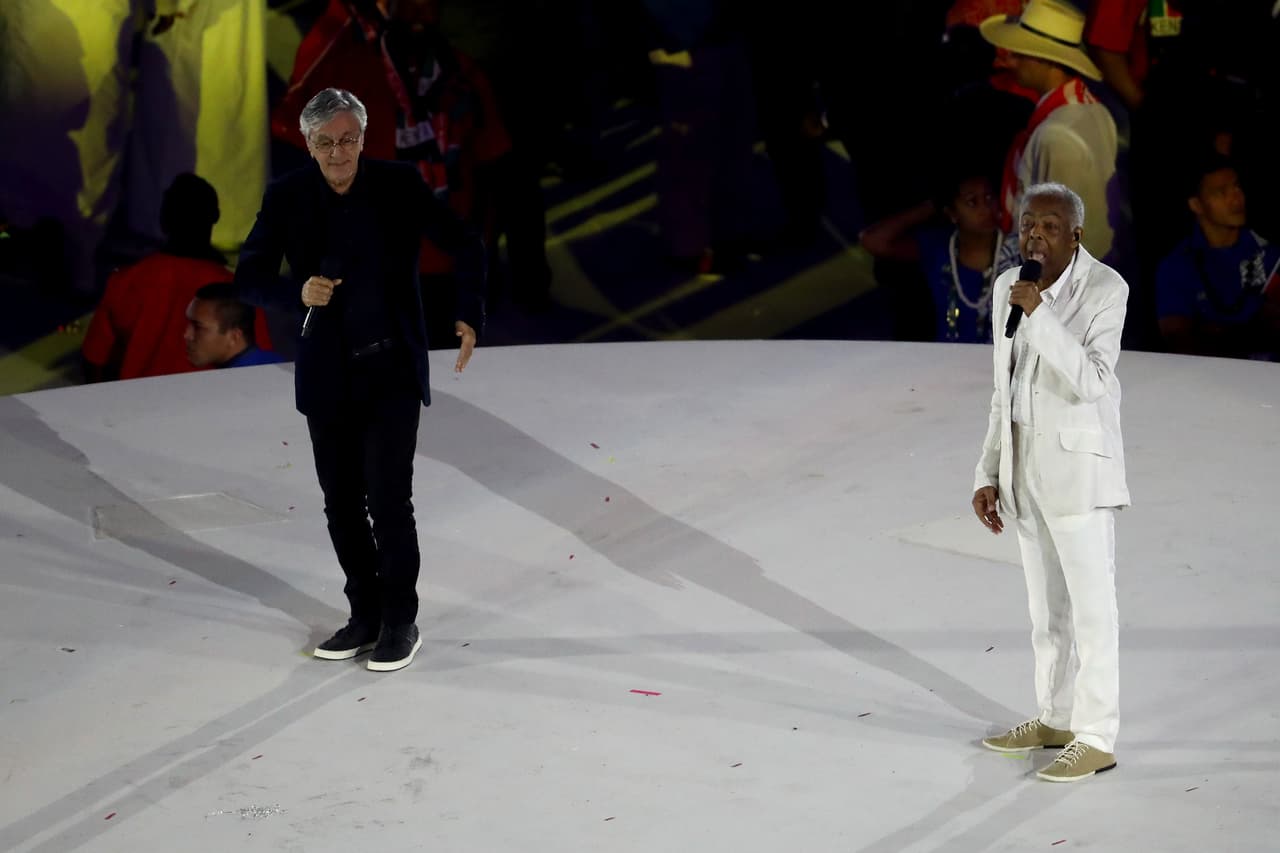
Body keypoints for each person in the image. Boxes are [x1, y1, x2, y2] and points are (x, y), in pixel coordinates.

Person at [234, 87, 486, 673]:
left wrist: (469, 312)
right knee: (341, 503)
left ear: (364, 139)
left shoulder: (399, 184)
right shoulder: (287, 195)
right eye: (326, 142)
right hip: (327, 374)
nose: (338, 153)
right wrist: (295, 293)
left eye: (347, 140)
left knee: (388, 499)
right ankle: (365, 615)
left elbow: (465, 241)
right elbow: (248, 276)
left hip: (391, 368)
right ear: (308, 144)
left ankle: (400, 621)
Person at [972, 181, 1130, 782]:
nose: (1034, 235)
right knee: (1046, 614)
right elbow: (1003, 389)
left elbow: (1092, 381)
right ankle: (1056, 717)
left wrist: (1039, 314)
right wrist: (988, 470)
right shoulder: (1005, 290)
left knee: (1093, 612)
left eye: (1050, 227)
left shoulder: (1106, 290)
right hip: (1024, 474)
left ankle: (1097, 736)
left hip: (1079, 477)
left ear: (1076, 235)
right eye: (1027, 225)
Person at [81, 174, 274, 382]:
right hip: (211, 401)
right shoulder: (240, 295)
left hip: (138, 401)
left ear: (163, 219)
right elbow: (258, 370)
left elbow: (94, 362)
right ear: (215, 217)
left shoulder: (124, 281)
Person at [980, 1, 1122, 273]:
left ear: (1046, 61)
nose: (1013, 61)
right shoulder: (1094, 109)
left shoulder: (1056, 134)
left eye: (1022, 54)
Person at [1156, 153, 1280, 360]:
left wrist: (1214, 332)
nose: (1236, 198)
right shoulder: (1178, 266)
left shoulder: (1270, 254)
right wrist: (1253, 331)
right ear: (1196, 205)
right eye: (1222, 191)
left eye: (1237, 186)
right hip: (1208, 376)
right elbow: (1179, 341)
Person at [860, 169, 1002, 344]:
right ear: (952, 213)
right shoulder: (939, 247)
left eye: (989, 198)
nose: (985, 209)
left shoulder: (1019, 247)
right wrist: (933, 205)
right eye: (972, 202)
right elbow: (872, 241)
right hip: (946, 356)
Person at [184, 282, 285, 369]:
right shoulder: (276, 366)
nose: (186, 335)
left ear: (234, 337)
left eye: (198, 327)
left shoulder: (253, 379)